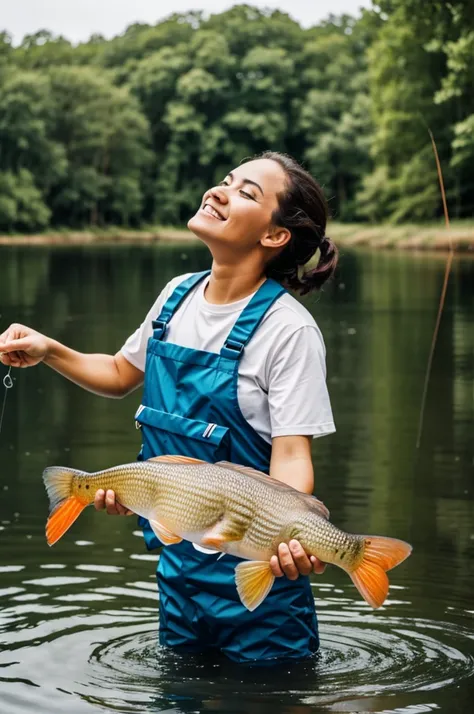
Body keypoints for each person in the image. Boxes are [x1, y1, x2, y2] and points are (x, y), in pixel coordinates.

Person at [0, 151, 337, 666]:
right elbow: (118, 374)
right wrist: (51, 351)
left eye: (247, 192)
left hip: (260, 584)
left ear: (274, 236)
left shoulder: (287, 330)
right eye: (225, 180)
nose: (219, 191)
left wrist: (293, 535)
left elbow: (292, 456)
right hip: (177, 575)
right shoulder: (175, 296)